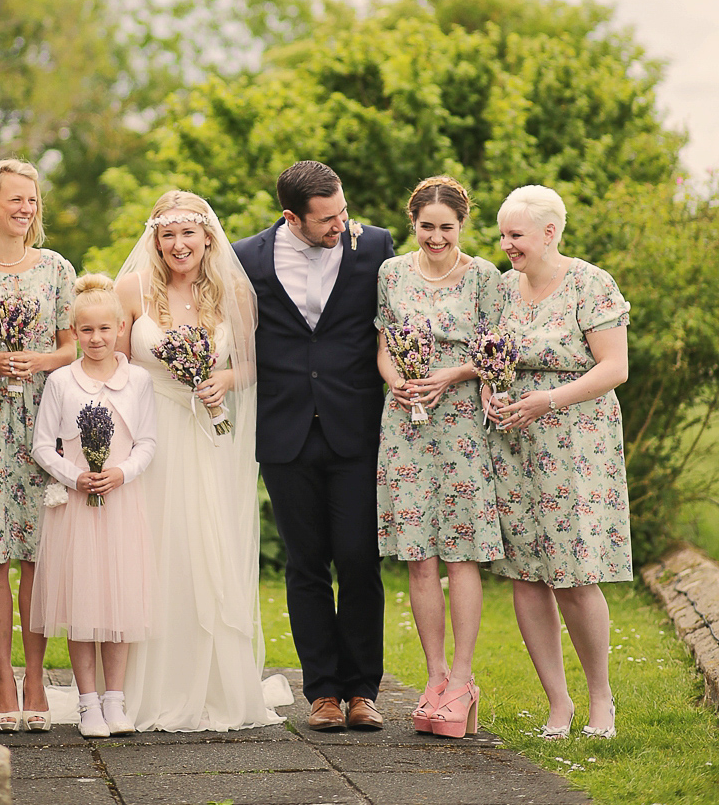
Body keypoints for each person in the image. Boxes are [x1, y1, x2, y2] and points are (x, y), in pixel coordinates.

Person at [115, 189, 287, 731]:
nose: (178, 244)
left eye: (188, 233)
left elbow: (255, 367)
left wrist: (221, 380)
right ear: (155, 239)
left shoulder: (233, 292)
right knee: (150, 554)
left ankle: (211, 683)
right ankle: (142, 688)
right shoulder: (133, 288)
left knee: (201, 550)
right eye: (167, 234)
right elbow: (111, 364)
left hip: (204, 435)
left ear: (207, 236)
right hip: (148, 434)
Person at [233, 161, 394, 732]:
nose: (340, 225)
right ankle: (322, 692)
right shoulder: (245, 257)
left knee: (358, 561)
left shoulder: (375, 246)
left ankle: (362, 690)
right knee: (305, 567)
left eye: (342, 211)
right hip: (285, 432)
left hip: (356, 427)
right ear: (290, 216)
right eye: (327, 219)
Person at [489, 184, 630, 741]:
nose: (506, 245)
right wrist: (494, 394)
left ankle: (601, 701)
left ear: (550, 232)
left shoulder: (591, 284)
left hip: (576, 441)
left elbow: (613, 367)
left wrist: (547, 400)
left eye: (515, 235)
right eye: (502, 234)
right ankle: (558, 703)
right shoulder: (501, 289)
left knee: (572, 574)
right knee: (526, 575)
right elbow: (490, 357)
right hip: (515, 441)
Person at [0, 159, 77, 732]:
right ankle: (3, 679)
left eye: (31, 200)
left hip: (44, 416)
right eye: (15, 200)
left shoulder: (55, 268)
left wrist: (39, 361)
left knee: (39, 551)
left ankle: (35, 675)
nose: (26, 209)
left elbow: (72, 346)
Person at [375, 176, 503, 738]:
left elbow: (500, 354)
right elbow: (382, 345)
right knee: (418, 555)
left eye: (445, 227)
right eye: (426, 227)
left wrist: (452, 373)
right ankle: (433, 679)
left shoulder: (484, 277)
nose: (435, 237)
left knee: (460, 553)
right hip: (405, 424)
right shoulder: (391, 273)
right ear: (414, 225)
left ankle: (464, 680)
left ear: (461, 226)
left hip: (460, 425)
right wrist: (395, 381)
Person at [30, 274, 157, 738]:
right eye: (86, 331)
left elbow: (146, 442)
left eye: (106, 329)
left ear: (121, 327)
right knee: (82, 602)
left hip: (123, 503)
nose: (97, 339)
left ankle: (115, 700)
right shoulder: (62, 381)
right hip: (76, 509)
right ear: (74, 330)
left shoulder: (137, 380)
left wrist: (120, 473)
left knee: (119, 604)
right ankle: (87, 703)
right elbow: (43, 446)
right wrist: (75, 476)